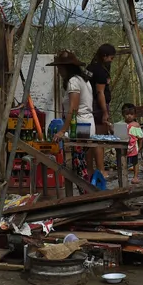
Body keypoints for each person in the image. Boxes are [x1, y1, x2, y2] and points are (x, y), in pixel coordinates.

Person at [49, 49, 95, 182]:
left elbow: (73, 108)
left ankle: (85, 193)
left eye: (59, 68)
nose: (58, 71)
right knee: (83, 164)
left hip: (80, 124)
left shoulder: (74, 81)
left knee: (78, 166)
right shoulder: (83, 80)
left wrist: (62, 131)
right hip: (86, 123)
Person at [85, 43, 116, 174]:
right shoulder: (101, 71)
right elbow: (100, 92)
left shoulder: (89, 68)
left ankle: (89, 169)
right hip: (98, 106)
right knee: (99, 138)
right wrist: (104, 112)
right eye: (111, 58)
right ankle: (101, 170)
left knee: (89, 140)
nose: (111, 61)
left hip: (87, 105)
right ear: (104, 56)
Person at [122, 103, 143, 185]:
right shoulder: (121, 125)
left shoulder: (136, 125)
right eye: (127, 114)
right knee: (123, 162)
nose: (129, 116)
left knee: (135, 162)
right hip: (123, 147)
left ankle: (135, 177)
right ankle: (124, 176)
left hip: (133, 147)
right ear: (123, 114)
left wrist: (140, 146)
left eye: (131, 114)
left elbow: (140, 137)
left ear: (135, 115)